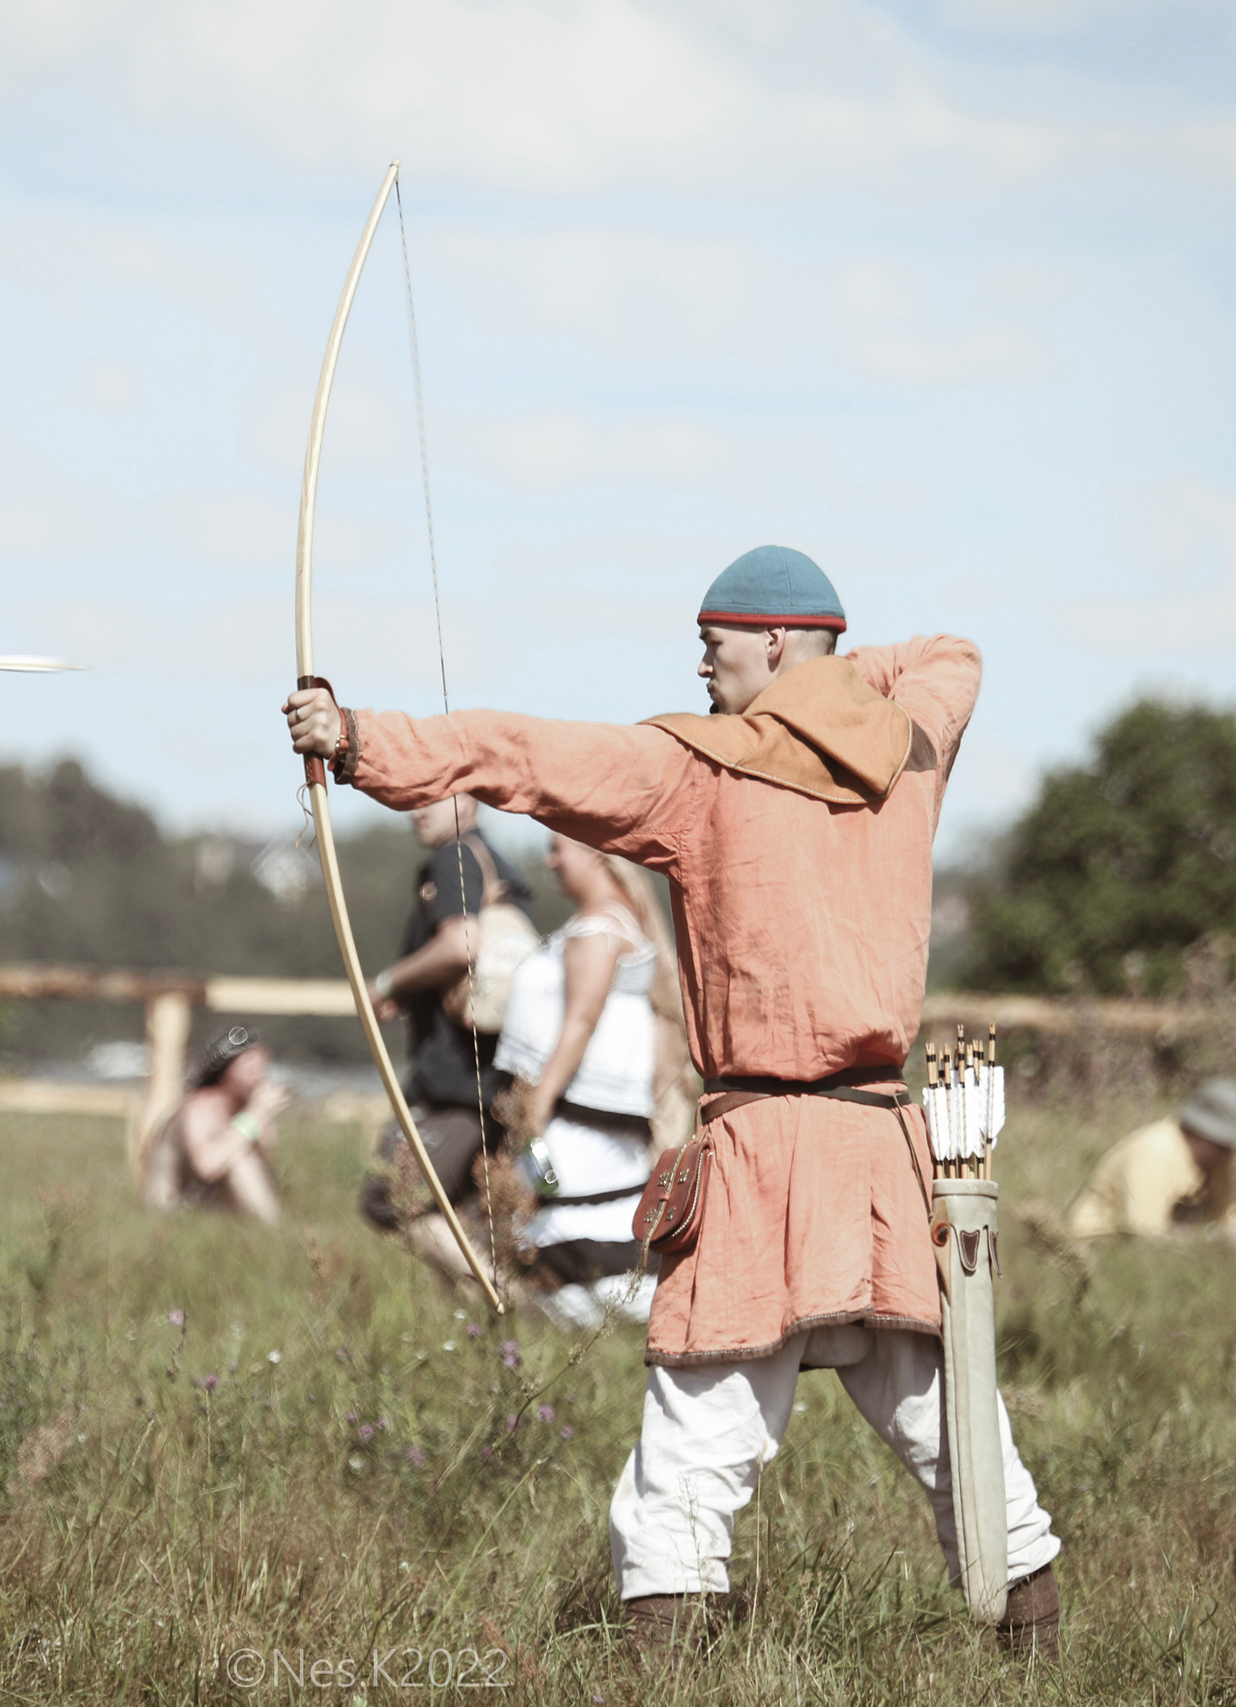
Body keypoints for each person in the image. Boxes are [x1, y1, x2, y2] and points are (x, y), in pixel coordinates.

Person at [283, 544, 1065, 1659]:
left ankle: (665, 1666)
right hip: (880, 1148)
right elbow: (951, 654)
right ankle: (1034, 1651)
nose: (701, 667)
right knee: (949, 1423)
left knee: (695, 1441)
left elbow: (521, 756)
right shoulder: (912, 752)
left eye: (714, 644)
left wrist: (360, 739)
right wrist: (822, 687)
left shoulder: (705, 773)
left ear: (774, 639)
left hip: (764, 1151)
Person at [492, 834, 686, 1330]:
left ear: (596, 852)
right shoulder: (609, 919)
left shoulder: (600, 927)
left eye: (559, 848)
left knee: (572, 1231)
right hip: (587, 1110)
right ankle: (606, 1339)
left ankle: (631, 1331)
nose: (550, 860)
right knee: (570, 1231)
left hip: (578, 1110)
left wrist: (538, 1104)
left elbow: (582, 1018)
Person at [355, 796, 536, 1288]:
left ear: (469, 800)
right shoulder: (496, 861)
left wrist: (388, 983)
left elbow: (461, 943)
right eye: (413, 798)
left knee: (390, 1200)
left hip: (453, 1081)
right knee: (462, 1213)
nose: (416, 809)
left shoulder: (453, 857)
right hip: (497, 1076)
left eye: (432, 796)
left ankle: (507, 1298)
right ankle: (480, 1318)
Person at [1063, 1077, 1236, 1243]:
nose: (1228, 1155)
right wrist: (1213, 1239)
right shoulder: (1153, 1152)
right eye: (1223, 1146)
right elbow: (1143, 1237)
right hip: (1100, 1250)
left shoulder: (1215, 1161)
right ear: (1200, 1131)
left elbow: (1225, 1220)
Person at [138, 1026, 289, 1225]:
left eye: (262, 1067)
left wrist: (259, 1117)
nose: (258, 1075)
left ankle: (274, 1228)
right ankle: (274, 1228)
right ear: (227, 1070)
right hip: (169, 1213)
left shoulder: (243, 1108)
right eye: (250, 1067)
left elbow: (267, 1157)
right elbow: (207, 1165)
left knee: (239, 1151)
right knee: (237, 1156)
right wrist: (255, 1114)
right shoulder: (198, 1107)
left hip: (208, 1213)